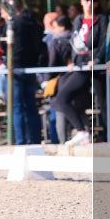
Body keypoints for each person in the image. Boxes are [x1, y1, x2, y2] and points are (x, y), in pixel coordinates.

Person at [54, 0, 108, 145]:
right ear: (82, 1)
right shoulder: (78, 19)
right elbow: (75, 42)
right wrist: (72, 61)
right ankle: (82, 131)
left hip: (96, 68)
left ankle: (108, 139)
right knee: (62, 98)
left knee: (103, 105)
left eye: (94, 1)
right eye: (87, 0)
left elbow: (105, 42)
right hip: (81, 67)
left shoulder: (102, 20)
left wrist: (96, 59)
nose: (90, 3)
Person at [0, 0, 44, 145]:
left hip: (16, 68)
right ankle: (34, 139)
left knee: (17, 106)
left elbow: (5, 46)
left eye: (3, 12)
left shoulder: (14, 23)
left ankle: (20, 141)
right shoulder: (31, 20)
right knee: (30, 105)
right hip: (29, 68)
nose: (1, 15)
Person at [45, 14, 73, 144]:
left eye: (55, 27)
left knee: (58, 114)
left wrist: (47, 78)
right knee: (77, 112)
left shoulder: (56, 41)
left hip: (59, 80)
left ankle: (59, 142)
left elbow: (52, 62)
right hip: (74, 79)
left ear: (62, 27)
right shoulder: (75, 38)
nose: (54, 30)